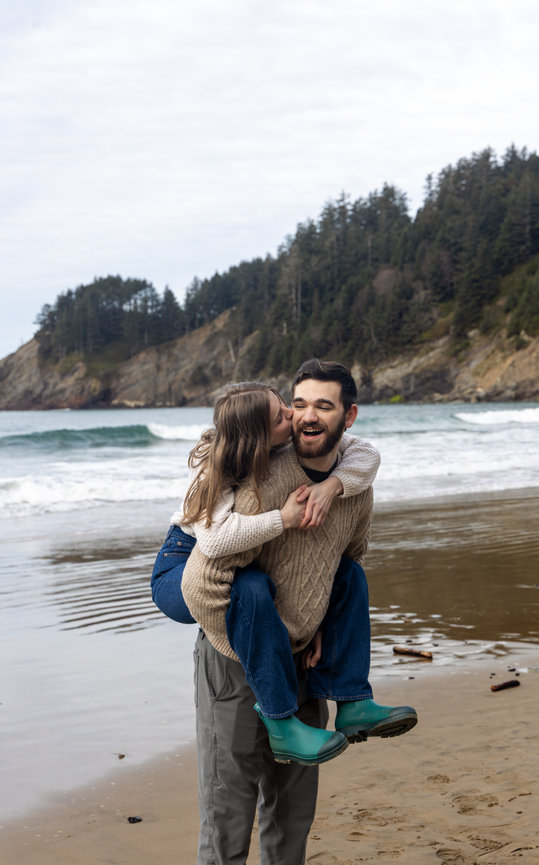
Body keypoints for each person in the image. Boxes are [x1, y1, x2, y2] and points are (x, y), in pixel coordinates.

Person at [181, 359, 418, 865]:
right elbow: (217, 561)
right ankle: (283, 714)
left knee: (292, 814)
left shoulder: (356, 485)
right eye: (299, 405)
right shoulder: (260, 472)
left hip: (304, 656)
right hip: (236, 654)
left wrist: (319, 623)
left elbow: (345, 559)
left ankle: (353, 701)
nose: (308, 417)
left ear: (348, 417)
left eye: (323, 406)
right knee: (228, 814)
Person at [150, 382, 381, 627]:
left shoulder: (283, 438)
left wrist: (331, 486)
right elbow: (213, 541)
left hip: (237, 558)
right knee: (250, 588)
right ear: (258, 436)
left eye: (284, 404)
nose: (292, 413)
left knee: (266, 586)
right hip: (181, 558)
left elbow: (367, 452)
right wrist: (284, 518)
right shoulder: (211, 461)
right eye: (280, 417)